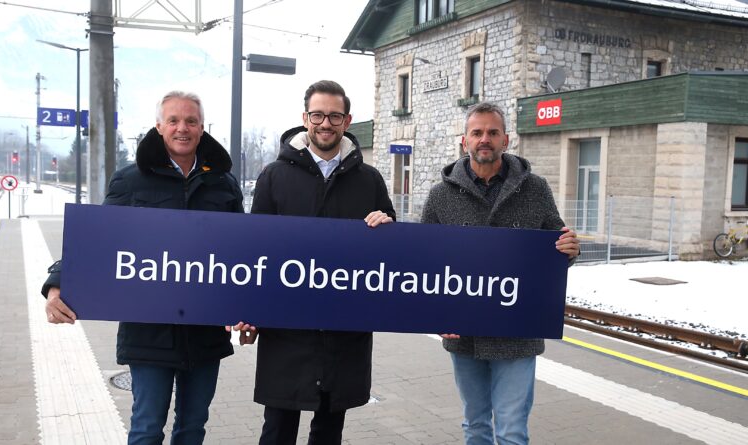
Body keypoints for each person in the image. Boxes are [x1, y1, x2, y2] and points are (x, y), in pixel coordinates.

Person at [41, 91, 243, 445]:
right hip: (148, 331)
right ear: (159, 126)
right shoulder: (130, 180)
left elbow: (242, 252)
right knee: (148, 428)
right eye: (174, 121)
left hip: (205, 331)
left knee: (193, 428)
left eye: (191, 121)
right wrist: (57, 284)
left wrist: (250, 307)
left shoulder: (223, 184)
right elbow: (97, 242)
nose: (183, 128)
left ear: (201, 127)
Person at [239, 80, 395, 445]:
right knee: (277, 428)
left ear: (347, 120)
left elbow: (390, 251)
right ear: (305, 118)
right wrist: (248, 311)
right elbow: (253, 251)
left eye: (335, 116)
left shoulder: (369, 179)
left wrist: (387, 226)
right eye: (318, 115)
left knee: (328, 431)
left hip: (342, 330)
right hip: (286, 330)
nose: (326, 123)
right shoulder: (273, 176)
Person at [421, 102, 579, 445]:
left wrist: (569, 250)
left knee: (511, 431)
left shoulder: (535, 189)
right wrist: (437, 315)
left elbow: (556, 244)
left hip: (518, 331)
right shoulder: (440, 196)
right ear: (465, 141)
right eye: (477, 132)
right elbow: (426, 264)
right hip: (463, 335)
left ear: (506, 139)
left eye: (492, 132)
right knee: (475, 426)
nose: (484, 139)